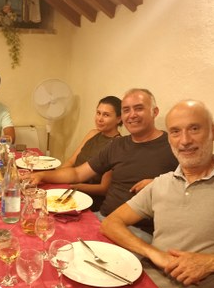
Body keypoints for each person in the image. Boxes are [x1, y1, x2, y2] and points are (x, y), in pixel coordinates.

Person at [100, 100, 214, 288]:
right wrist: (153, 253)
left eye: (194, 129)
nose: (184, 140)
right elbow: (110, 223)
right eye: (175, 132)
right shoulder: (161, 183)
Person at [31, 88, 178, 239]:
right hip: (102, 217)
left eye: (139, 108)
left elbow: (193, 185)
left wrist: (159, 184)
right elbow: (77, 173)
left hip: (136, 230)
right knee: (46, 229)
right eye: (126, 110)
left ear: (155, 111)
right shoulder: (117, 145)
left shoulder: (173, 146)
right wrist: (42, 175)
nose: (132, 115)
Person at [60, 96, 122, 212]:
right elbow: (71, 161)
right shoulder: (92, 133)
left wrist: (74, 186)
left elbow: (103, 188)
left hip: (90, 200)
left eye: (106, 115)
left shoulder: (117, 144)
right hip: (71, 186)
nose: (99, 119)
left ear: (119, 119)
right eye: (98, 113)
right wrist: (57, 177)